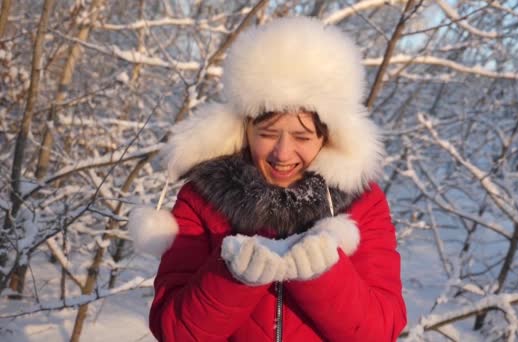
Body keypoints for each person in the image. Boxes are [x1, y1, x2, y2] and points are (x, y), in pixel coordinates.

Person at [128, 16, 407, 342]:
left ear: (328, 137)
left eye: (302, 137)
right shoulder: (202, 199)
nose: (282, 153)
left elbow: (380, 332)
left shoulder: (362, 203)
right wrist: (233, 277)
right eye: (268, 133)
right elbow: (174, 331)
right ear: (246, 128)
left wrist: (324, 275)